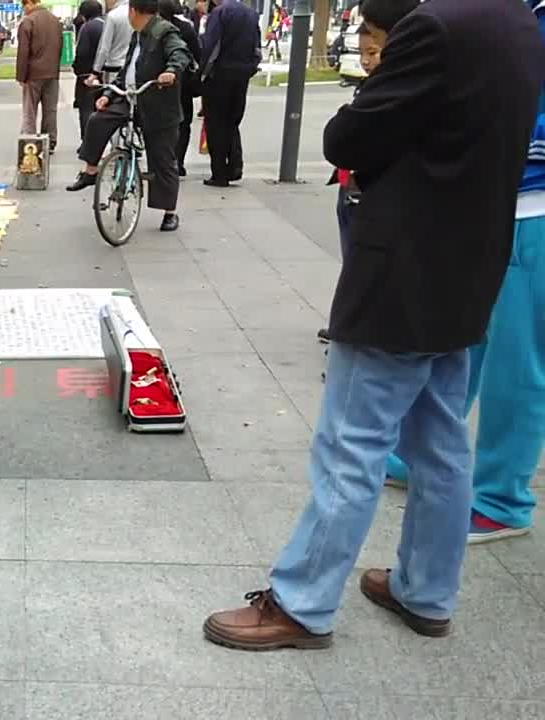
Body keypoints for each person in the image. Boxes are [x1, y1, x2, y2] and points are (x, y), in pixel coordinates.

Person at [202, 0, 545, 651]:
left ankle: (303, 602)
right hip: (469, 266)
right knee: (440, 441)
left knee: (350, 443)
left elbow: (349, 140)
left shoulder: (436, 27)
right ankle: (426, 590)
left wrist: (361, 106)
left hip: (403, 272)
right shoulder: (518, 22)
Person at [380, 0, 545, 545]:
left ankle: (502, 498)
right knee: (460, 341)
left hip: (532, 204)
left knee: (515, 364)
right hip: (488, 201)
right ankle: (415, 452)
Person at [67, 0, 190, 232]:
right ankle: (91, 170)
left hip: (157, 103)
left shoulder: (165, 31)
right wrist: (109, 94)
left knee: (162, 159)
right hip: (131, 96)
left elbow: (180, 52)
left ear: (133, 11)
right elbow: (127, 69)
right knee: (98, 119)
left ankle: (169, 212)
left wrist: (171, 71)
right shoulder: (138, 34)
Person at [316, 20, 388, 345]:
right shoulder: (369, 85)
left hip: (368, 192)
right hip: (349, 185)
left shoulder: (393, 91)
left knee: (361, 264)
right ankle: (344, 322)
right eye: (362, 53)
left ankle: (352, 329)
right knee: (350, 257)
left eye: (373, 52)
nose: (366, 60)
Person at [198, 0, 260, 186]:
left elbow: (211, 46)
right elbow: (256, 46)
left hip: (220, 75)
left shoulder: (220, 13)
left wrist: (202, 74)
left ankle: (219, 173)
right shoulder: (250, 14)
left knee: (216, 123)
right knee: (232, 121)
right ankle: (235, 165)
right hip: (242, 74)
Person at [160, 0, 202, 176]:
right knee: (183, 122)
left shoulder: (155, 29)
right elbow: (198, 54)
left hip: (160, 83)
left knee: (161, 123)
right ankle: (178, 161)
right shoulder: (186, 28)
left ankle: (165, 161)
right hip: (183, 83)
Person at [17, 0, 65, 154]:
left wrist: (21, 76)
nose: (24, 9)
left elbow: (23, 52)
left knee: (30, 110)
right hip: (52, 72)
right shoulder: (55, 21)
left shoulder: (28, 22)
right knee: (50, 109)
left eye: (23, 5)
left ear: (29, 3)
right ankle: (50, 141)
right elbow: (60, 47)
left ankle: (30, 141)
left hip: (33, 73)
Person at [73, 0, 108, 141]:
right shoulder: (107, 24)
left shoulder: (87, 27)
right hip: (108, 72)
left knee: (86, 109)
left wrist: (77, 69)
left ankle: (87, 140)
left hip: (88, 74)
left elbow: (82, 52)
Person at [93, 0, 133, 86]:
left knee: (111, 96)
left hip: (113, 68)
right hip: (131, 68)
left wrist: (95, 72)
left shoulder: (113, 15)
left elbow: (104, 48)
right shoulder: (137, 13)